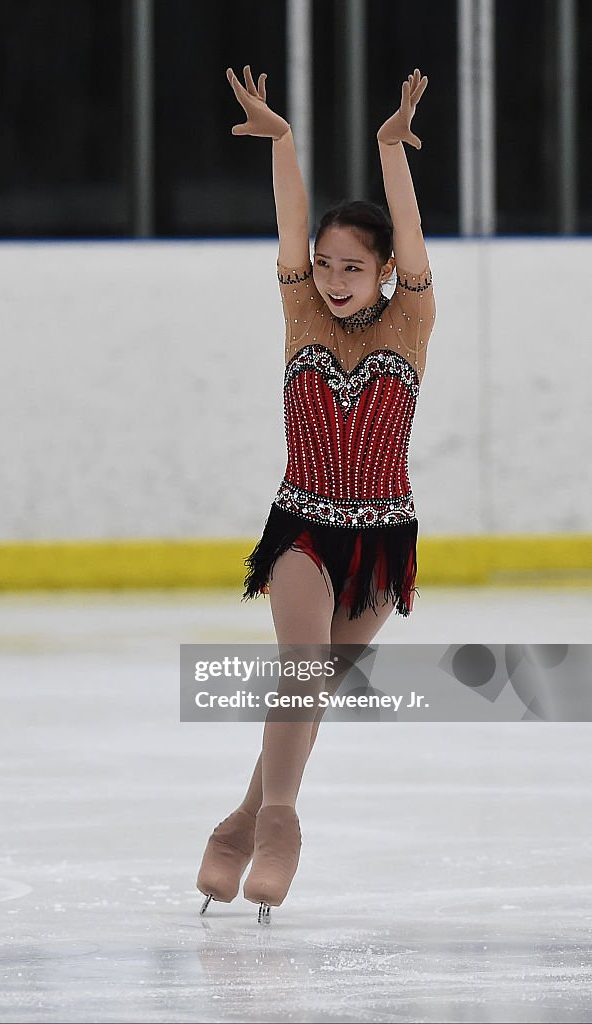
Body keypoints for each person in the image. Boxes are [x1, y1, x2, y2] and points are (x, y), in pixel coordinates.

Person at [196, 65, 436, 923]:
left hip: (381, 538)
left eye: (352, 267)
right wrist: (285, 142)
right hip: (300, 525)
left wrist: (387, 149)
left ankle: (233, 825)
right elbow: (288, 224)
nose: (334, 278)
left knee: (315, 687)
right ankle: (279, 823)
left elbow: (409, 237)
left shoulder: (411, 322)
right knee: (299, 671)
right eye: (324, 264)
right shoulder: (301, 316)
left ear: (380, 273)